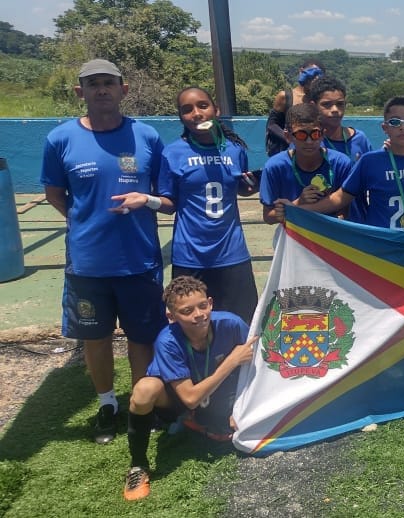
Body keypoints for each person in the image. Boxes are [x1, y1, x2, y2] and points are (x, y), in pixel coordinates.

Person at [40, 59, 167, 444]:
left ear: (123, 90)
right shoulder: (60, 139)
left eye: (109, 83)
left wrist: (143, 201)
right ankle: (108, 404)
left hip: (139, 259)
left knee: (141, 337)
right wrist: (87, 221)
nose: (101, 90)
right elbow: (55, 195)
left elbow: (163, 195)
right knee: (94, 338)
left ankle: (142, 404)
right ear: (80, 92)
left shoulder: (147, 137)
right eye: (92, 84)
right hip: (88, 264)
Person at [117, 87, 258, 323]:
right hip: (190, 256)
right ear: (181, 117)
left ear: (216, 110)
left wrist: (252, 184)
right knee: (193, 326)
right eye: (187, 110)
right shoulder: (173, 153)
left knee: (241, 324)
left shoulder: (235, 150)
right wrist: (146, 199)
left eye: (203, 106)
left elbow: (241, 188)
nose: (196, 113)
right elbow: (170, 203)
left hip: (232, 254)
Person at [122, 276, 256, 500]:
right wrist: (231, 360)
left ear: (211, 303)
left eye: (203, 306)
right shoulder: (166, 341)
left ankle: (200, 422)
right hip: (178, 400)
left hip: (219, 392)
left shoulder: (231, 324)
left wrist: (244, 406)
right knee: (144, 390)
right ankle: (138, 465)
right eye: (187, 311)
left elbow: (258, 363)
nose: (198, 315)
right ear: (171, 316)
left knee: (238, 424)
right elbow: (190, 398)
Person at [281, 96, 404, 231]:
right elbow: (339, 198)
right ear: (385, 128)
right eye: (395, 122)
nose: (403, 127)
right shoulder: (370, 162)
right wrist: (300, 210)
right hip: (380, 246)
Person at [259, 102, 353, 225]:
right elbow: (268, 217)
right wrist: (299, 202)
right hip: (295, 238)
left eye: (315, 134)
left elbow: (346, 211)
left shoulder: (341, 163)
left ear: (323, 134)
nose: (309, 141)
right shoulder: (275, 167)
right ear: (288, 136)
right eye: (301, 135)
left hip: (332, 238)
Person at [307, 75, 372, 163]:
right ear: (313, 106)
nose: (335, 110)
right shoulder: (307, 142)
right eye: (327, 104)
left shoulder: (359, 139)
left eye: (340, 104)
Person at [265, 59, 324, 156]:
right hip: (287, 153)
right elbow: (272, 125)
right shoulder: (285, 96)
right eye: (312, 73)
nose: (315, 78)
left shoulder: (321, 99)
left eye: (319, 75)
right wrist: (292, 140)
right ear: (301, 71)